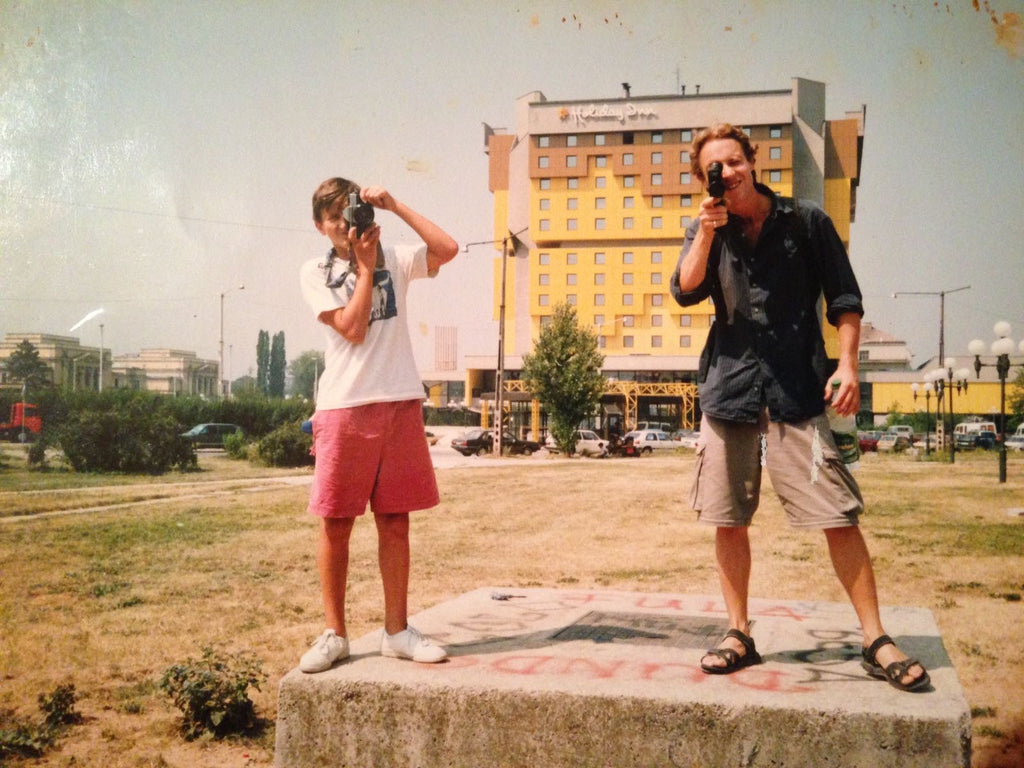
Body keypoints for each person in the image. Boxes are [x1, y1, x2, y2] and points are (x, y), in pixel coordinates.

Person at [670, 124, 929, 692]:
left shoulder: (806, 220)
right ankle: (737, 631)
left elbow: (844, 298)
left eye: (735, 161)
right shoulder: (704, 231)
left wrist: (849, 364)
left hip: (796, 390)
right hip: (728, 391)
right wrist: (707, 234)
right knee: (727, 517)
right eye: (715, 167)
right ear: (701, 177)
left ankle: (874, 638)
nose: (728, 173)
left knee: (838, 514)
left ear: (752, 161)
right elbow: (685, 290)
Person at [296, 177, 459, 673]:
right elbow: (352, 326)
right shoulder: (314, 271)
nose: (347, 226)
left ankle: (396, 631)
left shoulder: (397, 256)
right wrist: (365, 269)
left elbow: (447, 248)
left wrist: (395, 206)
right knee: (336, 522)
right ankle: (335, 634)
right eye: (336, 219)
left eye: (352, 214)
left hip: (399, 399)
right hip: (345, 405)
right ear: (320, 226)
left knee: (395, 520)